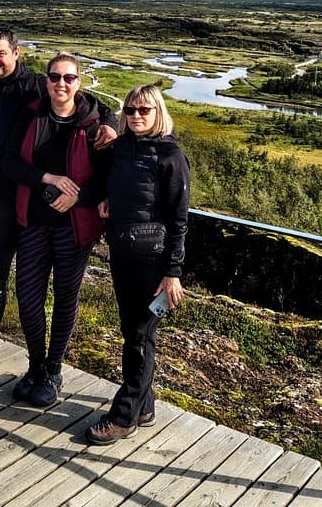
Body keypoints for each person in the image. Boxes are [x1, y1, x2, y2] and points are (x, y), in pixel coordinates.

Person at [0, 27, 117, 388]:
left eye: (0, 53)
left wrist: (111, 126)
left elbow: (92, 104)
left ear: (16, 54)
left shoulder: (35, 85)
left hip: (4, 205)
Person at [3, 53, 109, 407]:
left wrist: (76, 198)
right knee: (28, 297)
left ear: (79, 82)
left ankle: (53, 369)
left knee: (65, 297)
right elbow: (10, 163)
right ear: (45, 80)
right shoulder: (32, 114)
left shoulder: (95, 124)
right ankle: (34, 365)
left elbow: (107, 181)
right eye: (54, 77)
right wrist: (47, 178)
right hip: (33, 223)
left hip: (74, 228)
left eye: (68, 78)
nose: (60, 84)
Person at [87, 84, 189, 445]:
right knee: (134, 333)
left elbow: (179, 219)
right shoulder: (122, 148)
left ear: (158, 111)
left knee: (140, 340)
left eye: (144, 110)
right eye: (130, 110)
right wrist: (106, 199)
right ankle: (144, 405)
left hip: (152, 261)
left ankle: (123, 416)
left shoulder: (171, 155)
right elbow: (116, 184)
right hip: (122, 253)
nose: (136, 116)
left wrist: (172, 272)